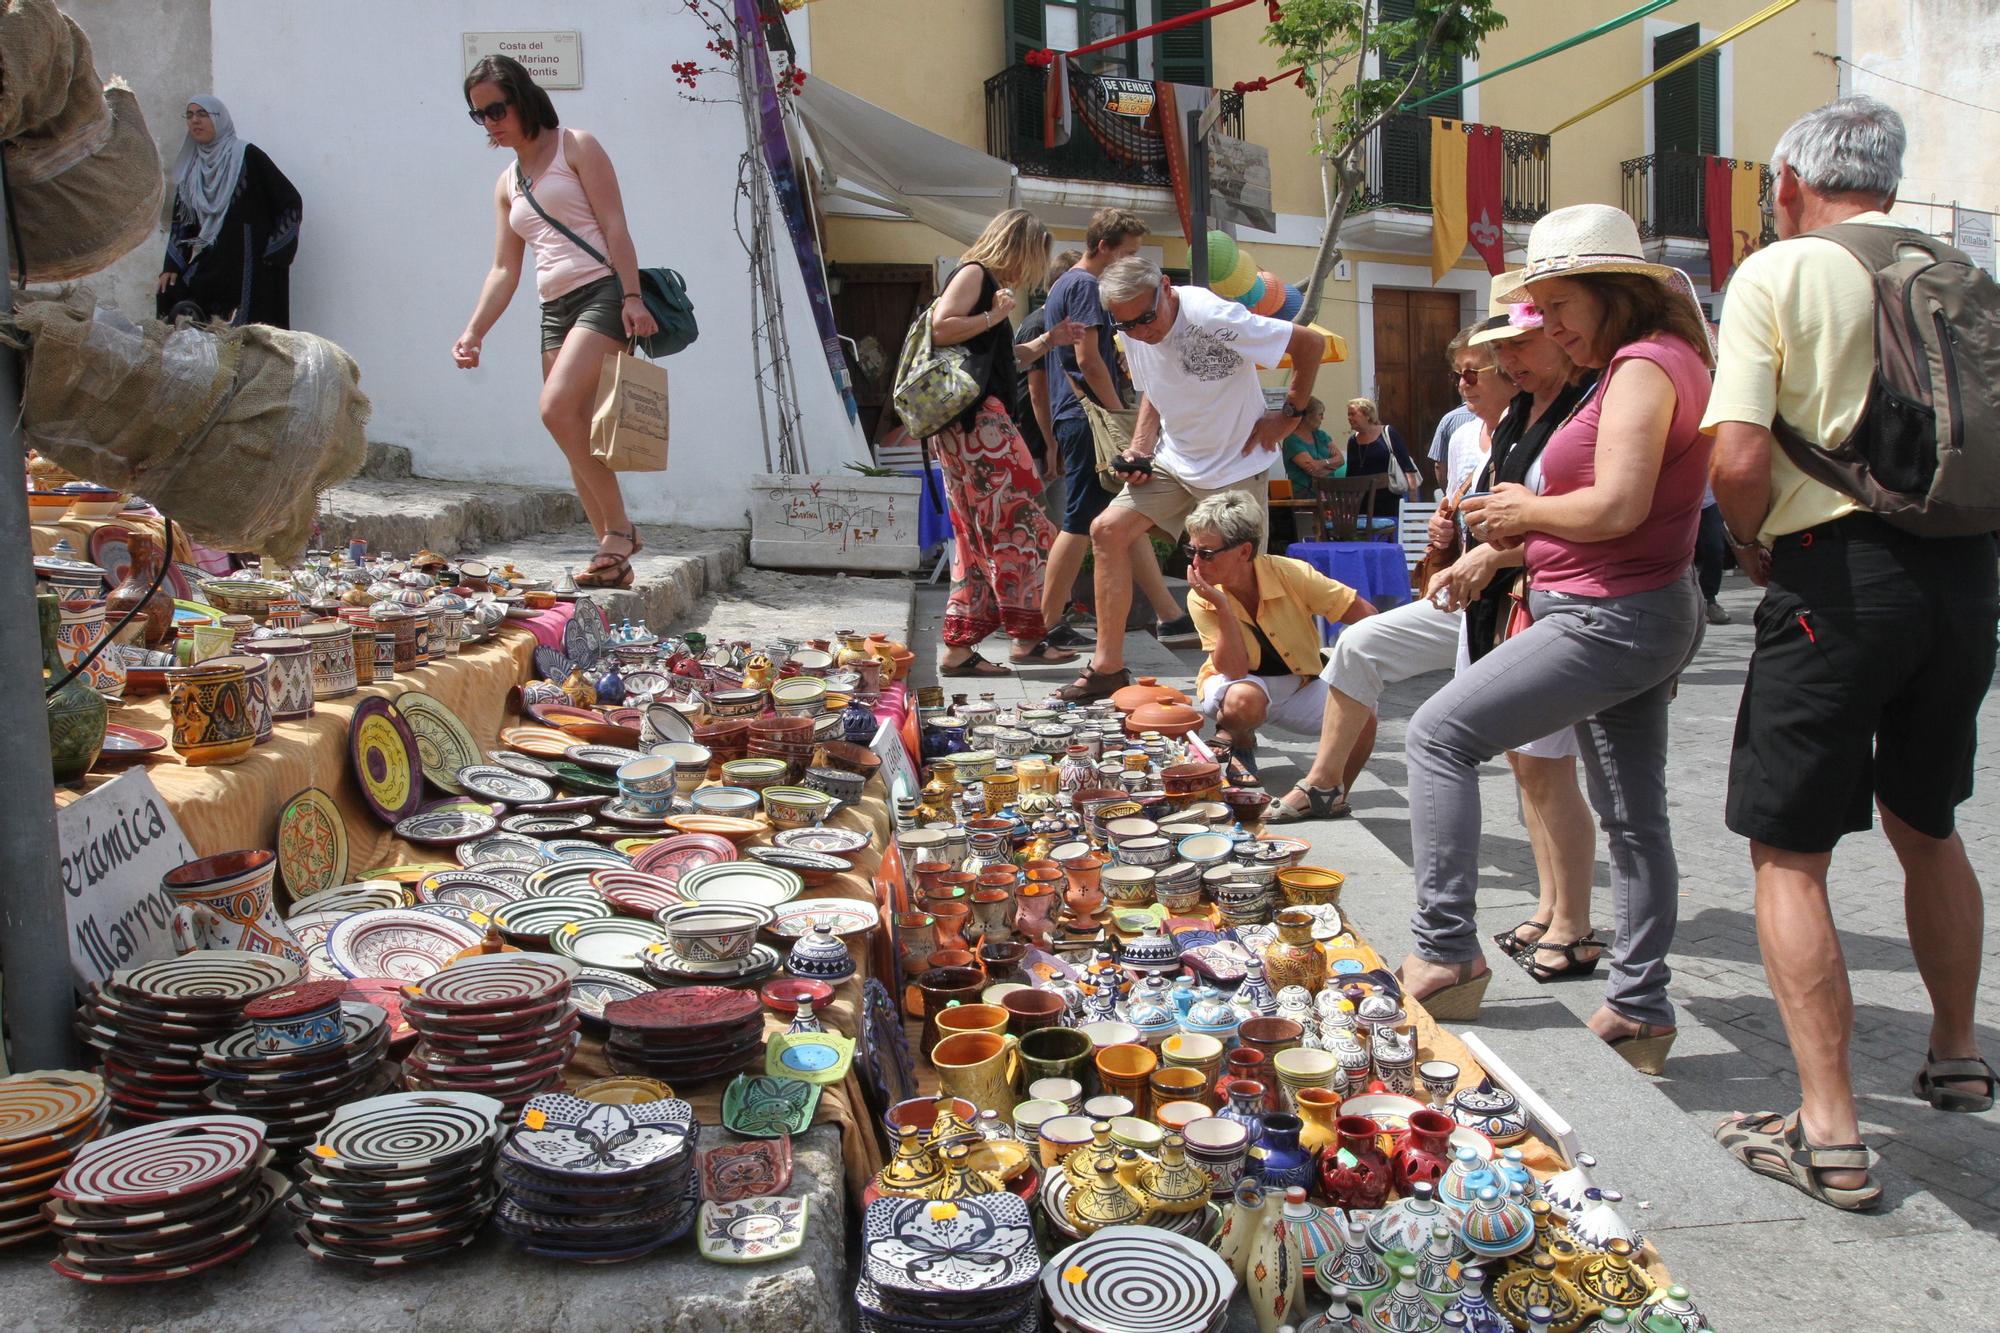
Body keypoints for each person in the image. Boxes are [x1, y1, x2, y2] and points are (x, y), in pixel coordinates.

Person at [1708, 97, 1995, 1212]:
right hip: (1962, 572)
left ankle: (1827, 1131)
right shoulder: (1954, 269)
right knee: (1926, 822)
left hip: (1833, 573)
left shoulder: (1779, 273)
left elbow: (1737, 453)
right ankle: (1957, 1049)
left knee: (1786, 850)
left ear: (1786, 181)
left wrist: (1747, 540)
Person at [1404, 203, 1714, 1075]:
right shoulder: (1658, 361)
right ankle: (1640, 1006)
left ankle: (1445, 947)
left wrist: (1520, 514)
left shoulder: (1647, 366)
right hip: (1633, 607)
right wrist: (1513, 544)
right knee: (1633, 817)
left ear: (1606, 289)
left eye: (1555, 305)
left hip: (1609, 614)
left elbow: (1614, 506)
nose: (1545, 326)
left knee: (1436, 734)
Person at [1266, 322, 1512, 823]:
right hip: (1466, 600)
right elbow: (1461, 508)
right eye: (1457, 374)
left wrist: (1489, 553)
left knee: (1494, 748)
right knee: (1357, 646)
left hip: (1518, 603)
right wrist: (1448, 537)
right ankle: (1324, 784)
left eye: (1472, 372)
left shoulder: (1534, 429)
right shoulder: (1465, 434)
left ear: (1510, 370)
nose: (1462, 384)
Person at [1061, 255, 1327, 701]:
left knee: (1237, 580)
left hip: (1234, 468)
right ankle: (1107, 666)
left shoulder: (1212, 315)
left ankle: (1251, 693)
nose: (1142, 332)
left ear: (1166, 287)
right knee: (1106, 530)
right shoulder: (1133, 327)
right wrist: (1141, 451)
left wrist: (1288, 416)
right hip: (1175, 462)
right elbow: (1153, 393)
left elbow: (1309, 346)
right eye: (1126, 325)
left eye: (1146, 318)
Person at [452, 55, 658, 589]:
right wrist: (474, 330)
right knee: (575, 433)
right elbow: (504, 268)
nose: (491, 121)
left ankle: (620, 530)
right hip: (554, 308)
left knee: (555, 409)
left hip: (602, 293)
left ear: (523, 98)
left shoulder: (577, 147)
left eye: (497, 108)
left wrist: (632, 296)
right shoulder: (507, 182)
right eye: (480, 115)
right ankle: (612, 561)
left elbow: (616, 226)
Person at [920, 208, 1081, 675]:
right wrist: (995, 314)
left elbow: (995, 358)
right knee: (1019, 522)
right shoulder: (975, 275)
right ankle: (1025, 636)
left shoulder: (983, 283)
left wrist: (1049, 339)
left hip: (970, 427)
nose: (1029, 270)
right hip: (977, 429)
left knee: (983, 534)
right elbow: (942, 327)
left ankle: (969, 644)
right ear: (1019, 247)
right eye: (1032, 257)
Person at [1037, 209, 1186, 652]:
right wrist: (1119, 409)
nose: (1130, 261)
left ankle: (1170, 614)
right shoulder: (1085, 285)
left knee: (1121, 515)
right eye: (1128, 252)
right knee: (1081, 519)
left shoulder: (1064, 284)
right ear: (1104, 246)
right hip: (1092, 416)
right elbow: (1088, 358)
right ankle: (1042, 624)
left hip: (1076, 414)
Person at [1182, 490, 1375, 774]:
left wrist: (1355, 665)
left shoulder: (1290, 574)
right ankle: (1240, 737)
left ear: (1244, 551)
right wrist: (1222, 607)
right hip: (1237, 686)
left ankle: (1332, 790)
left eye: (1206, 553)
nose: (1195, 563)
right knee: (1244, 700)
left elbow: (1366, 616)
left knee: (1364, 716)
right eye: (1191, 551)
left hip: (1300, 684)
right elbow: (1233, 671)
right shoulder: (1202, 595)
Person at [157, 96, 300, 326]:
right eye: (190, 115)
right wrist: (172, 267)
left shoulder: (247, 156)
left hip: (252, 262)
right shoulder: (192, 169)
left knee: (250, 336)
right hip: (216, 259)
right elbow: (183, 221)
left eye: (203, 114)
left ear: (220, 119)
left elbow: (290, 201)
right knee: (171, 291)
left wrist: (274, 254)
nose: (195, 121)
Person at [1016, 250, 1083, 527]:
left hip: (1048, 440)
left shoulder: (1050, 326)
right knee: (1042, 524)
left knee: (1058, 524)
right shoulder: (1039, 326)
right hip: (1037, 442)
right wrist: (1051, 446)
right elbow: (1038, 392)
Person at [1341, 398, 1421, 519]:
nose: (1349, 418)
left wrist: (1413, 499)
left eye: (1353, 414)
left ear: (1367, 415)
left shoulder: (1388, 433)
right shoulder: (1352, 441)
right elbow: (1350, 474)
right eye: (1348, 415)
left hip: (1388, 501)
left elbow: (1407, 466)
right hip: (1361, 504)